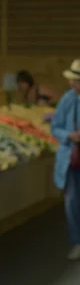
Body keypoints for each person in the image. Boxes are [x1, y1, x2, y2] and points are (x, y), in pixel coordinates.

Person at [51, 59, 80, 260]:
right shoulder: (67, 99)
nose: (72, 84)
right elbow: (55, 127)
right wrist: (69, 135)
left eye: (76, 81)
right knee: (71, 201)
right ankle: (77, 241)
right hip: (71, 158)